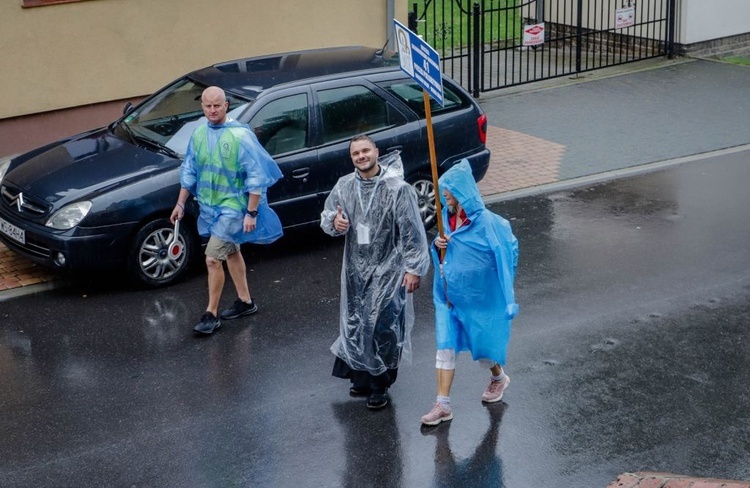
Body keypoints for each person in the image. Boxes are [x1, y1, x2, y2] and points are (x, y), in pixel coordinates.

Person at [321, 135, 430, 409]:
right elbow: (327, 218)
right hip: (355, 269)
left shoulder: (397, 189)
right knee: (356, 322)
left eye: (365, 150)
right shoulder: (344, 186)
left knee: (381, 326)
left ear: (376, 152)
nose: (361, 156)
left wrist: (414, 269)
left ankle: (380, 383)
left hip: (389, 270)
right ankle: (361, 377)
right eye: (356, 153)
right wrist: (336, 221)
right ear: (352, 158)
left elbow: (411, 232)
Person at [171, 86, 284, 335]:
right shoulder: (199, 134)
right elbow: (189, 169)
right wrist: (180, 203)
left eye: (217, 105)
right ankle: (245, 302)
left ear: (226, 106)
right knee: (231, 251)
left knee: (213, 258)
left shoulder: (240, 137)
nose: (212, 110)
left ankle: (210, 314)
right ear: (202, 107)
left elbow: (256, 176)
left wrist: (251, 212)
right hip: (209, 207)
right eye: (207, 105)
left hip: (233, 208)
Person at [420, 160, 519, 426]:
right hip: (449, 297)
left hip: (478, 299)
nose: (445, 195)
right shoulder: (446, 219)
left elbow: (505, 254)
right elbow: (444, 257)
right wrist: (438, 245)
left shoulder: (488, 223)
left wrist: (508, 298)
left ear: (463, 191)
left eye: (449, 190)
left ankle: (498, 377)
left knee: (483, 349)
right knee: (445, 347)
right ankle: (442, 405)